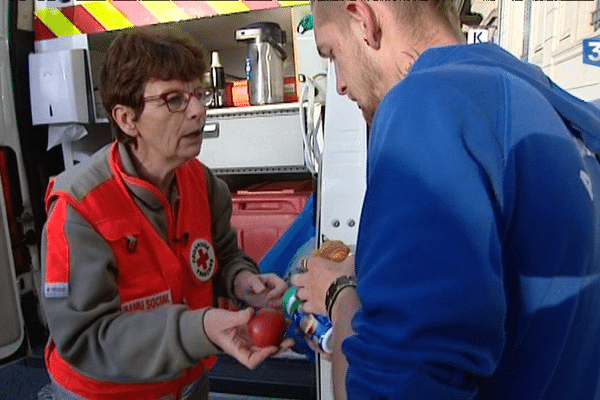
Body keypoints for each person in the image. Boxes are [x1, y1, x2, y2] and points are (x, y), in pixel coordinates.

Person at [292, 1, 600, 399]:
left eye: (332, 53)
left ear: (363, 18)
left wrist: (339, 297)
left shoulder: (424, 105)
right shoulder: (545, 103)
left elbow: (394, 387)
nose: (340, 85)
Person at [40, 30, 293, 400]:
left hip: (186, 382)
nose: (198, 110)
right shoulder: (78, 208)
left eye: (199, 94)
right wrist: (200, 329)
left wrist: (241, 280)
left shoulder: (202, 183)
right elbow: (85, 339)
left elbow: (221, 256)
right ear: (127, 119)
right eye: (174, 99)